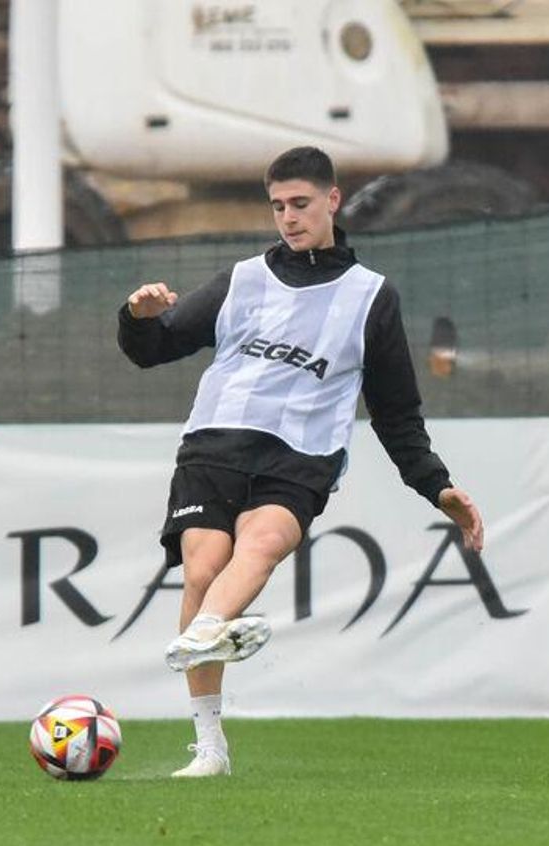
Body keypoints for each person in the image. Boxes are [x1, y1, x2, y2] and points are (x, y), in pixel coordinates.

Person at [118, 146, 485, 779]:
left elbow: (396, 414)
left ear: (333, 201)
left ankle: (205, 632)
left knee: (259, 544)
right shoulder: (243, 279)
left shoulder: (372, 297)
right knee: (204, 566)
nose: (288, 218)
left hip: (301, 455)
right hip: (215, 440)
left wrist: (438, 487)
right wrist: (136, 316)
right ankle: (210, 747)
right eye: (278, 206)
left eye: (300, 204)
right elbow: (155, 348)